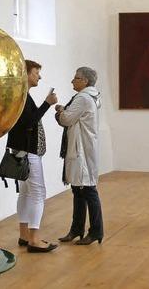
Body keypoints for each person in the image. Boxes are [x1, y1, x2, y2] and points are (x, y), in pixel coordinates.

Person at [6, 59, 58, 253]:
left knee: (26, 193)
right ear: (26, 74)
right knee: (38, 193)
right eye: (36, 72)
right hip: (28, 152)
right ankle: (34, 239)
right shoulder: (22, 97)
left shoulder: (19, 96)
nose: (39, 76)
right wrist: (47, 104)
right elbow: (29, 122)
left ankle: (24, 234)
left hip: (20, 150)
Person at [56, 66, 104, 245]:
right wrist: (66, 111)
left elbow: (67, 119)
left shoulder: (83, 98)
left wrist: (61, 111)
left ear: (85, 81)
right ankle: (77, 229)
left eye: (76, 78)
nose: (72, 81)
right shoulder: (91, 96)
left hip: (81, 150)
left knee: (88, 190)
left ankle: (96, 231)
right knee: (78, 190)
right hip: (82, 148)